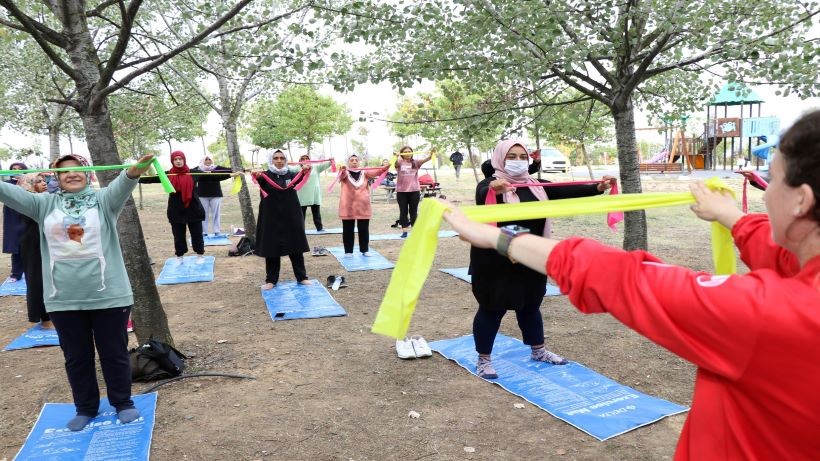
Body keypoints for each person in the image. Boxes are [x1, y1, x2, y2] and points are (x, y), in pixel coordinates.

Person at [441, 110, 820, 460]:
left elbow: (622, 277)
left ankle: (535, 347)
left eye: (770, 179)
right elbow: (780, 254)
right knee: (492, 309)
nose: (765, 192)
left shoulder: (776, 316)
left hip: (522, 262)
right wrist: (732, 217)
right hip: (498, 272)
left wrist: (497, 238)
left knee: (529, 308)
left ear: (801, 201)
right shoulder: (800, 281)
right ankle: (485, 355)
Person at [0, 153, 155, 431]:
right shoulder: (43, 204)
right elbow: (6, 192)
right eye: (64, 172)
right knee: (76, 356)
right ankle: (85, 407)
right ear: (55, 178)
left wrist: (139, 167)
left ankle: (123, 403)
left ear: (88, 173)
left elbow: (127, 179)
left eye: (77, 170)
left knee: (114, 353)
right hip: (63, 299)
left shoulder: (104, 200)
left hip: (109, 295)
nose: (71, 175)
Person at [468, 139, 613, 379]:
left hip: (531, 257)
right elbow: (485, 192)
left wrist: (598, 187)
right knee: (491, 309)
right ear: (499, 159)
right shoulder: (489, 185)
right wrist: (496, 188)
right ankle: (484, 360)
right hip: (495, 260)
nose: (517, 161)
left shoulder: (536, 186)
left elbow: (566, 190)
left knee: (531, 305)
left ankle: (539, 351)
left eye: (522, 157)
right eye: (511, 157)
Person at [252, 149, 312, 290]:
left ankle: (302, 277)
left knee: (295, 246)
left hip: (291, 215)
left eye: (282, 158)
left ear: (286, 160)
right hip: (270, 216)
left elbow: (303, 174)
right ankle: (271, 280)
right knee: (271, 247)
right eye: (276, 158)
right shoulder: (264, 175)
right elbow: (257, 179)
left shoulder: (292, 174)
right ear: (271, 160)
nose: (279, 161)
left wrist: (306, 169)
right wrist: (257, 174)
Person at [140, 151, 206, 264]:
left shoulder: (194, 173)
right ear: (172, 161)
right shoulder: (167, 174)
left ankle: (200, 255)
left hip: (193, 209)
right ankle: (179, 256)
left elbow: (214, 176)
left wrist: (231, 174)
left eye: (180, 159)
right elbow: (149, 179)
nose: (178, 161)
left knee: (197, 234)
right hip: (176, 210)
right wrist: (131, 176)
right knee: (178, 235)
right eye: (175, 159)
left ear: (184, 159)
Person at [16, 173, 53, 328]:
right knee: (37, 279)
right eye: (38, 181)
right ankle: (45, 318)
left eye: (44, 181)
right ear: (29, 185)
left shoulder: (45, 198)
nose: (44, 183)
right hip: (33, 242)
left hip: (46, 239)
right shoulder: (25, 201)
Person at [338, 155, 390, 257]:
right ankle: (348, 251)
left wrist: (386, 167)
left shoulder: (364, 172)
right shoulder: (345, 172)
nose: (354, 162)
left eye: (356, 160)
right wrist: (343, 170)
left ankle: (365, 249)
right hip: (348, 206)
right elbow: (341, 177)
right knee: (348, 229)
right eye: (351, 160)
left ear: (359, 162)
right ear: (348, 162)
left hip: (363, 205)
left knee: (364, 229)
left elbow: (378, 171)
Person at [191, 154, 234, 236]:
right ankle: (204, 232)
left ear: (212, 160)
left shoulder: (217, 168)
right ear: (203, 160)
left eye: (209, 159)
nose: (207, 161)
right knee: (204, 214)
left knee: (216, 214)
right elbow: (189, 174)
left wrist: (240, 170)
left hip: (216, 195)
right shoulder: (197, 169)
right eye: (206, 159)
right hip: (202, 195)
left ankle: (217, 231)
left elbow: (229, 170)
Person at [394, 146, 433, 238]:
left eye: (409, 151)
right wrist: (397, 156)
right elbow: (395, 164)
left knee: (413, 211)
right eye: (405, 152)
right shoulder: (399, 162)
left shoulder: (416, 162)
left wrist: (432, 153)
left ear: (412, 153)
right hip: (401, 191)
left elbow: (428, 158)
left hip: (414, 191)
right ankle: (404, 232)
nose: (408, 153)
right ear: (402, 153)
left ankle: (415, 231)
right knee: (403, 212)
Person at [291, 154, 331, 232]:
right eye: (303, 159)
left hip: (314, 194)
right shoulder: (297, 168)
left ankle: (319, 228)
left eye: (307, 158)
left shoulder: (316, 168)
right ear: (300, 161)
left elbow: (327, 164)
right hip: (302, 195)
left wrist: (330, 160)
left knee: (316, 213)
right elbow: (287, 168)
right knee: (301, 214)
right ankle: (300, 230)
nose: (305, 160)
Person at [3, 162, 29, 281]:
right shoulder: (7, 184)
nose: (17, 171)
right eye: (14, 169)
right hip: (12, 216)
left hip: (28, 214)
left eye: (20, 169)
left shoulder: (30, 183)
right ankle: (16, 273)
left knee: (30, 244)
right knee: (15, 245)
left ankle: (32, 272)